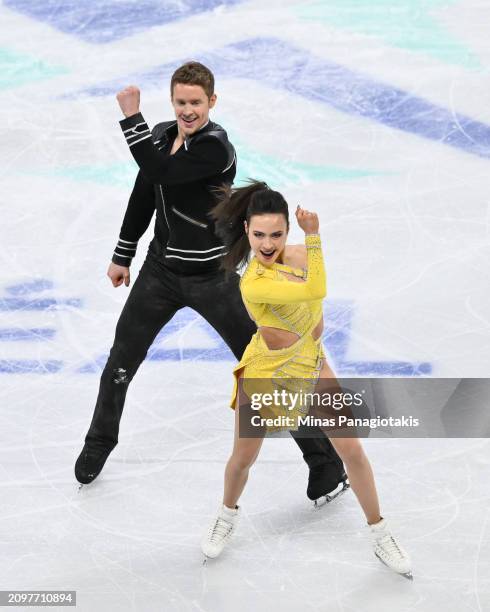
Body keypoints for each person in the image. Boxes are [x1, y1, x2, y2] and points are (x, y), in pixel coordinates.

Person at [74, 61, 347, 503]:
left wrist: (129, 116)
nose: (187, 110)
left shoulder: (216, 149)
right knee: (120, 361)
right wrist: (122, 255)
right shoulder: (161, 137)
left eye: (195, 103)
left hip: (213, 277)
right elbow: (146, 192)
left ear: (211, 102)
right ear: (173, 102)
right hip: (159, 273)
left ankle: (325, 463)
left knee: (269, 371)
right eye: (180, 102)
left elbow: (163, 173)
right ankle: (98, 443)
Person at [200, 181, 413, 579]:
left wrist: (308, 245)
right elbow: (318, 287)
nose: (267, 243)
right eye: (259, 234)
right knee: (243, 459)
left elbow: (315, 299)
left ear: (286, 231)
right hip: (268, 372)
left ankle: (380, 531)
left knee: (351, 450)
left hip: (312, 366)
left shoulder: (298, 256)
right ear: (246, 229)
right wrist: (315, 237)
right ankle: (226, 514)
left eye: (277, 234)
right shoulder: (255, 281)